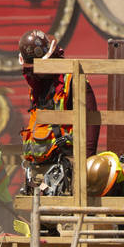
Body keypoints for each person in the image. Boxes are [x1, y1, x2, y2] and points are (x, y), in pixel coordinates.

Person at [19, 30, 99, 194]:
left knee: (61, 210)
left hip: (65, 168)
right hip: (38, 172)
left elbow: (91, 121)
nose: (32, 73)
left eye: (36, 68)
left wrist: (84, 165)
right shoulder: (37, 86)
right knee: (42, 206)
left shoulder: (73, 81)